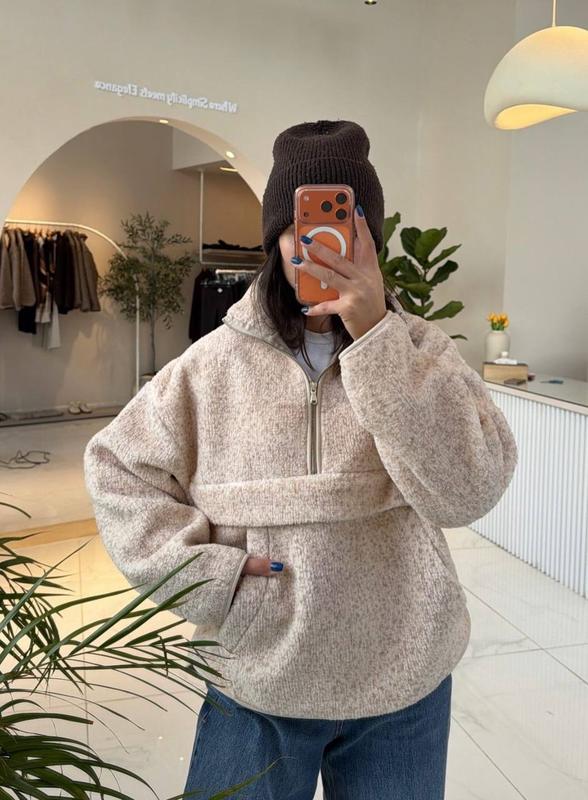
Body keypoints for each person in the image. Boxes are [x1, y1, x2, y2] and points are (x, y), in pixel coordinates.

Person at [83, 119, 518, 799]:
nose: (317, 245)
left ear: (371, 238)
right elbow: (117, 470)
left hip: (403, 678)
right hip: (255, 676)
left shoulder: (422, 351)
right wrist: (210, 577)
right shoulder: (210, 366)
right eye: (299, 227)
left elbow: (467, 493)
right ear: (274, 241)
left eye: (342, 225)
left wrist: (375, 336)